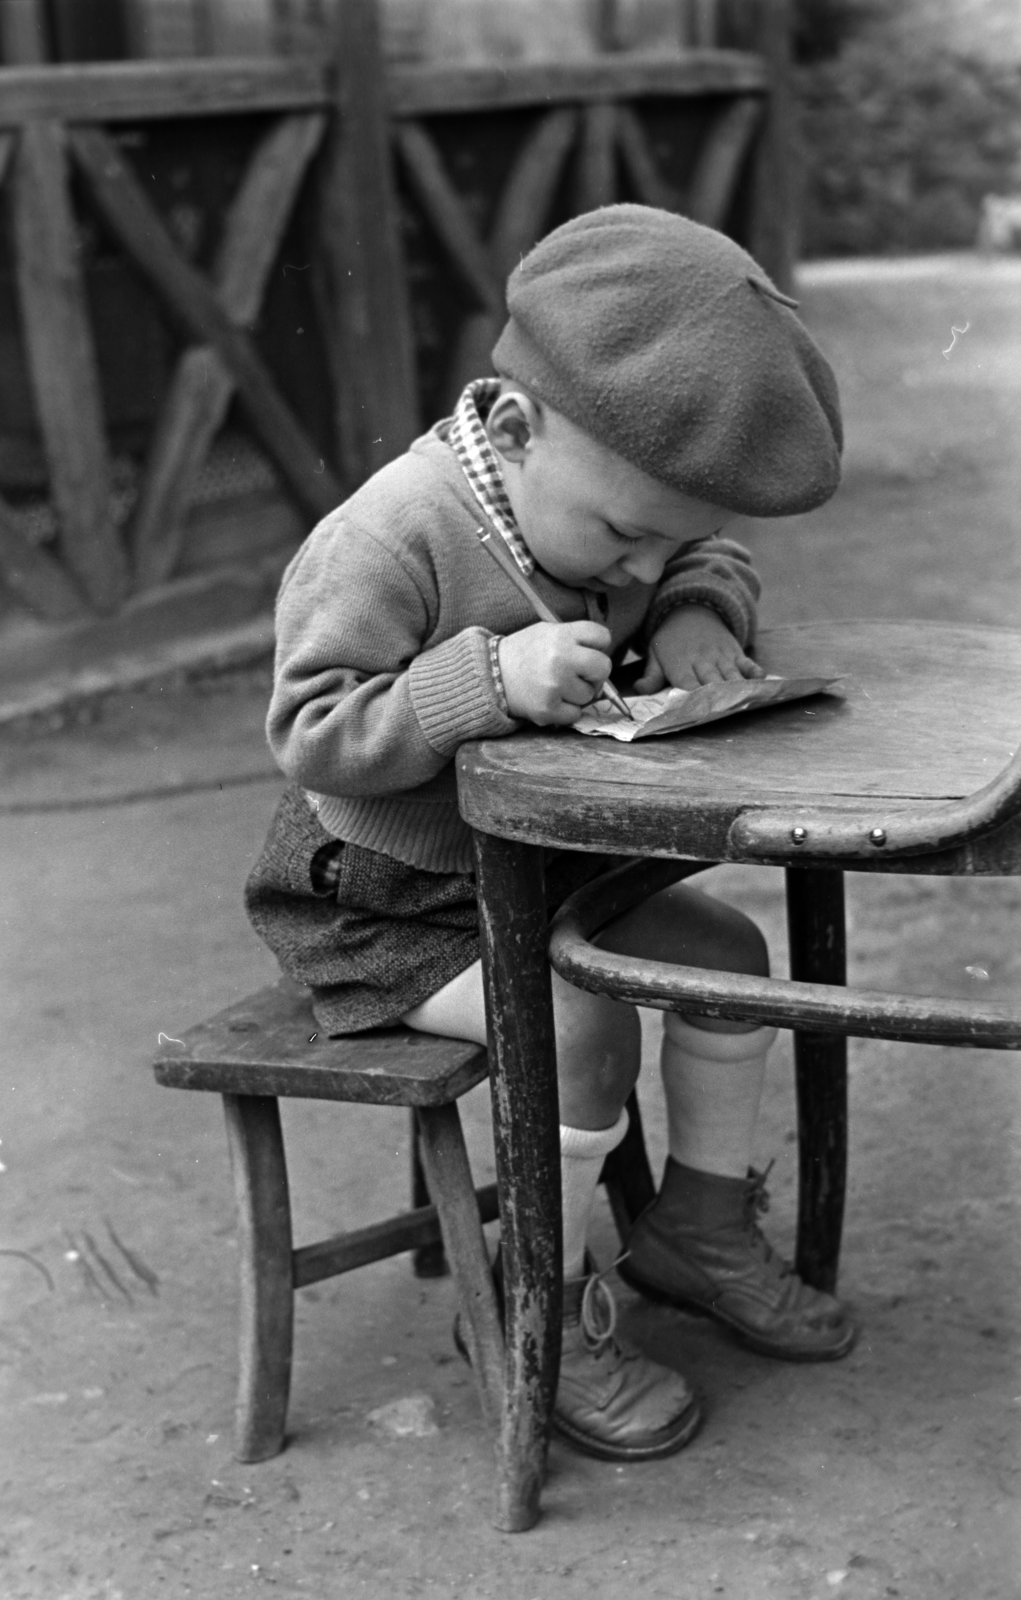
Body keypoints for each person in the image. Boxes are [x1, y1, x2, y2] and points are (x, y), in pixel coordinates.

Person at [246, 205, 856, 1465]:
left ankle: (694, 1226)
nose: (639, 558)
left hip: (537, 864)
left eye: (664, 540)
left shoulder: (607, 490)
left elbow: (708, 544)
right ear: (512, 427)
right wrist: (487, 680)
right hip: (383, 895)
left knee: (726, 957)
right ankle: (542, 1304)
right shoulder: (387, 534)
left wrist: (693, 600)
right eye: (629, 537)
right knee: (582, 1026)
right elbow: (311, 729)